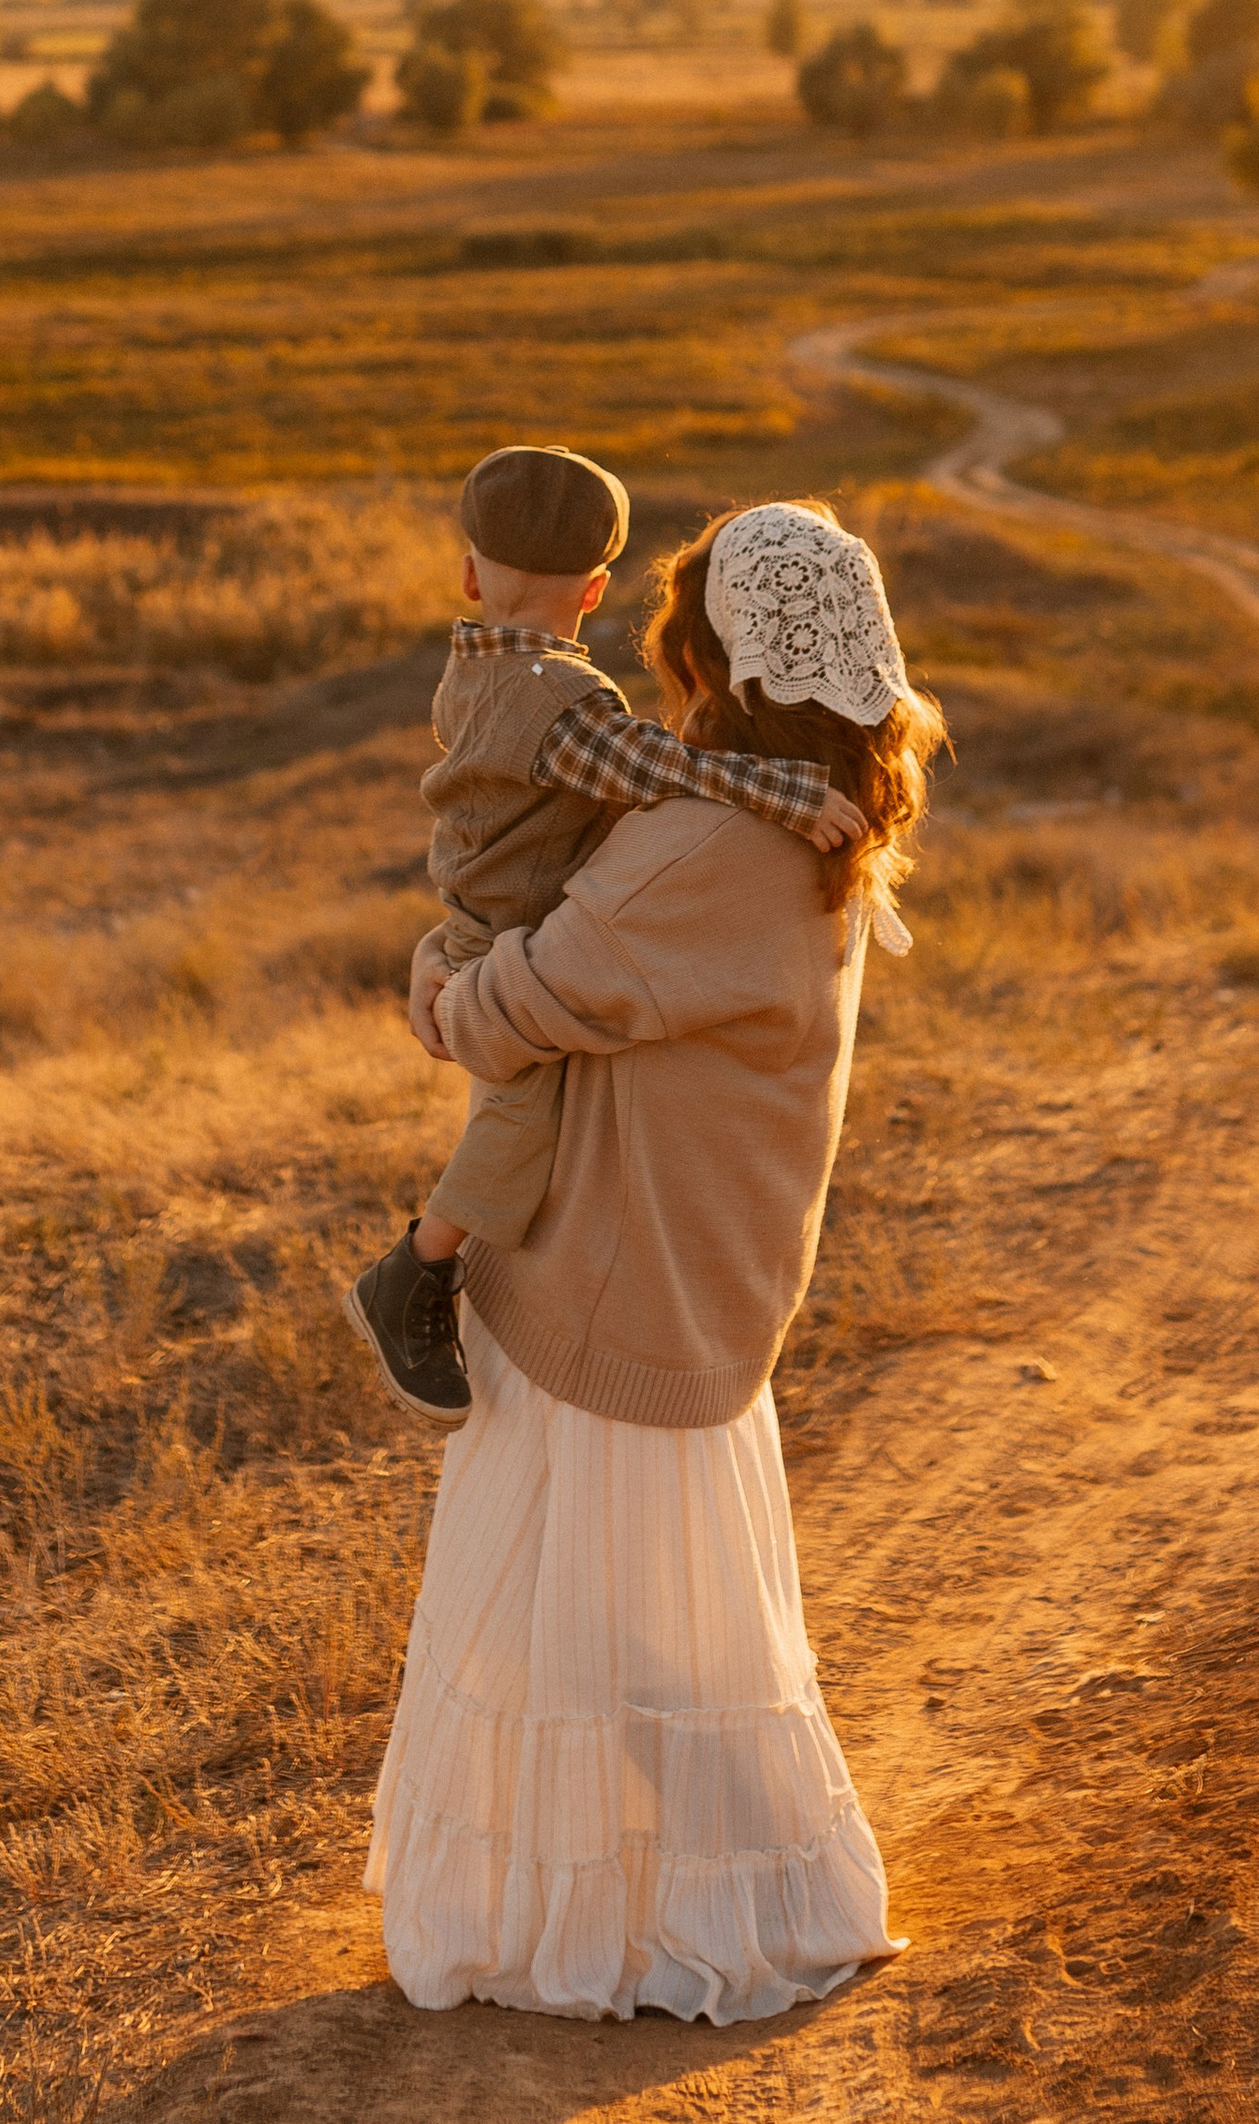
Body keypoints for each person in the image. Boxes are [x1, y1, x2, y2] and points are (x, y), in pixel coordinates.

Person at [367, 498, 948, 2024]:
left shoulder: (703, 845)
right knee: (649, 1624)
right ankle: (670, 1896)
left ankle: (663, 1920)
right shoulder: (816, 825)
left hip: (614, 1280)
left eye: (677, 646)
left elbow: (506, 1005)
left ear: (720, 658)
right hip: (706, 1276)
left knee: (611, 1630)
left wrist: (432, 971)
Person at [345, 444, 866, 1427]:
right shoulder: (557, 700)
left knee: (508, 1119)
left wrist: (452, 965)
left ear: (467, 575)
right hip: (654, 1299)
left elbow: (506, 986)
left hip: (627, 1292)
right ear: (594, 592)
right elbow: (639, 774)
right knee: (512, 1122)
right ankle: (413, 1272)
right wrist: (781, 791)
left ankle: (416, 1270)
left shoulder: (484, 675)